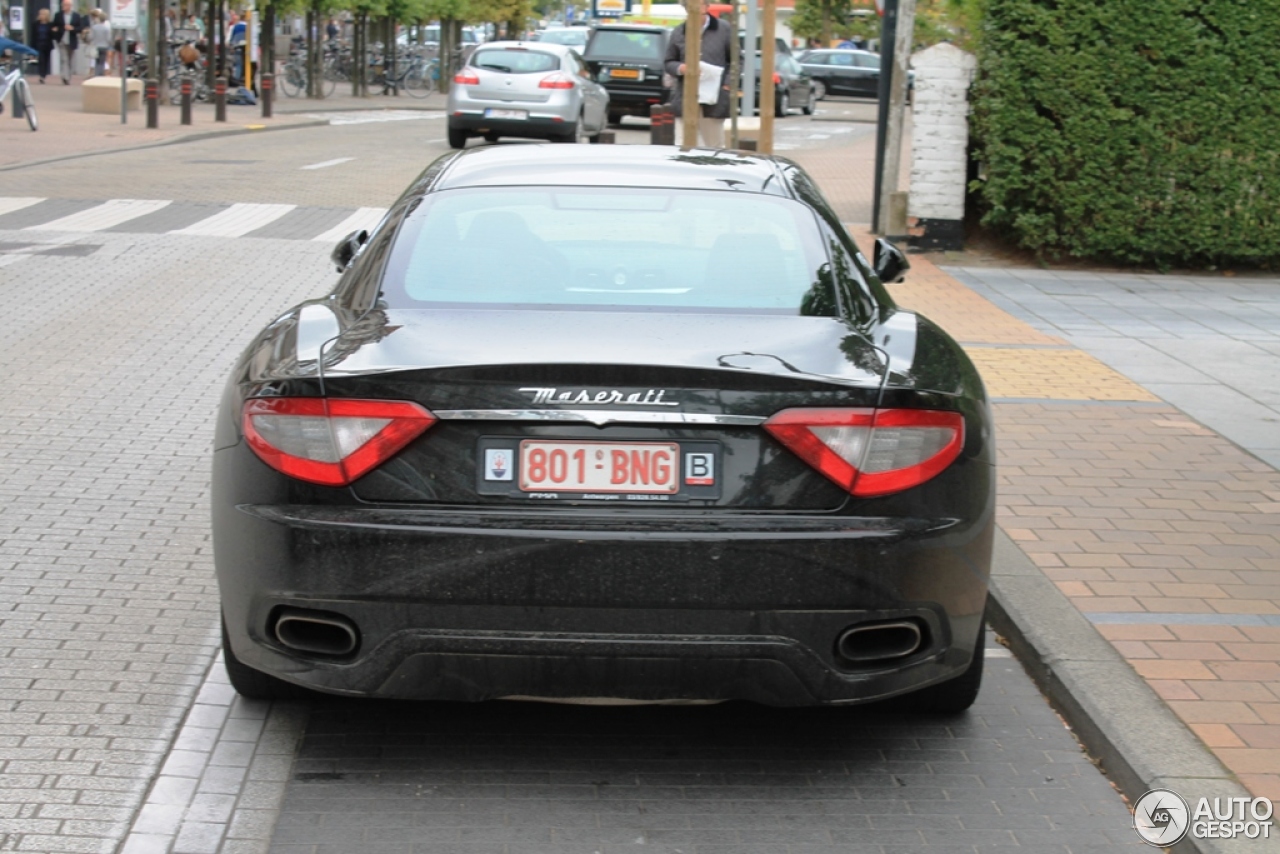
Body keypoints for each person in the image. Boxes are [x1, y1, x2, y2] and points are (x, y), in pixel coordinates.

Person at [663, 0, 733, 148]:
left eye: (700, 5)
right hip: (686, 95)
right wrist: (681, 68)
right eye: (689, 6)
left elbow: (736, 60)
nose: (694, 9)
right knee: (682, 144)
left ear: (707, 6)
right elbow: (668, 62)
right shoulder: (679, 32)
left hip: (714, 97)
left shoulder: (723, 29)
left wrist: (727, 83)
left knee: (714, 146)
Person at [50, 0, 86, 84]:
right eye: (63, 5)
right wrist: (55, 30)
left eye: (66, 5)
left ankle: (68, 76)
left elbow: (80, 28)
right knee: (64, 59)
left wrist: (72, 28)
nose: (64, 6)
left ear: (70, 6)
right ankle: (65, 77)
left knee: (70, 60)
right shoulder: (58, 15)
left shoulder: (76, 16)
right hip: (61, 40)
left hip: (72, 40)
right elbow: (54, 25)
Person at [32, 8, 54, 83]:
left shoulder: (50, 24)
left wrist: (54, 31)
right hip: (39, 44)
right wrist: (32, 46)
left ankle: (44, 75)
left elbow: (53, 36)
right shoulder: (36, 24)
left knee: (46, 60)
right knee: (41, 60)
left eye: (43, 14)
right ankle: (41, 76)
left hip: (47, 44)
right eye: (40, 14)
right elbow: (33, 35)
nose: (41, 16)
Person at [88, 9, 111, 77]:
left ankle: (97, 74)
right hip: (104, 47)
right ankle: (100, 74)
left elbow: (91, 37)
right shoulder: (106, 28)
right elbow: (108, 38)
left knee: (97, 61)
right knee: (102, 61)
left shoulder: (94, 27)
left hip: (96, 46)